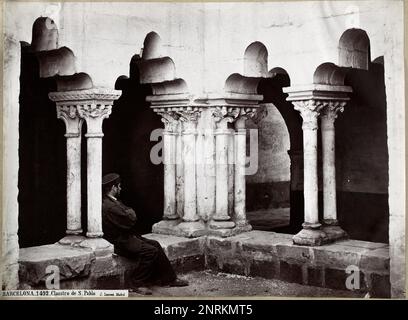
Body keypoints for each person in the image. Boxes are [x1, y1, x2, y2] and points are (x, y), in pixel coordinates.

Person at [101, 173, 188, 294]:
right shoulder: (109, 205)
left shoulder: (111, 201)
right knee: (150, 251)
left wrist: (128, 212)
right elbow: (131, 218)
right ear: (113, 188)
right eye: (119, 186)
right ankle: (136, 283)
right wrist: (129, 211)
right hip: (120, 241)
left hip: (127, 237)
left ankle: (169, 279)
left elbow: (128, 215)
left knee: (155, 244)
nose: (120, 189)